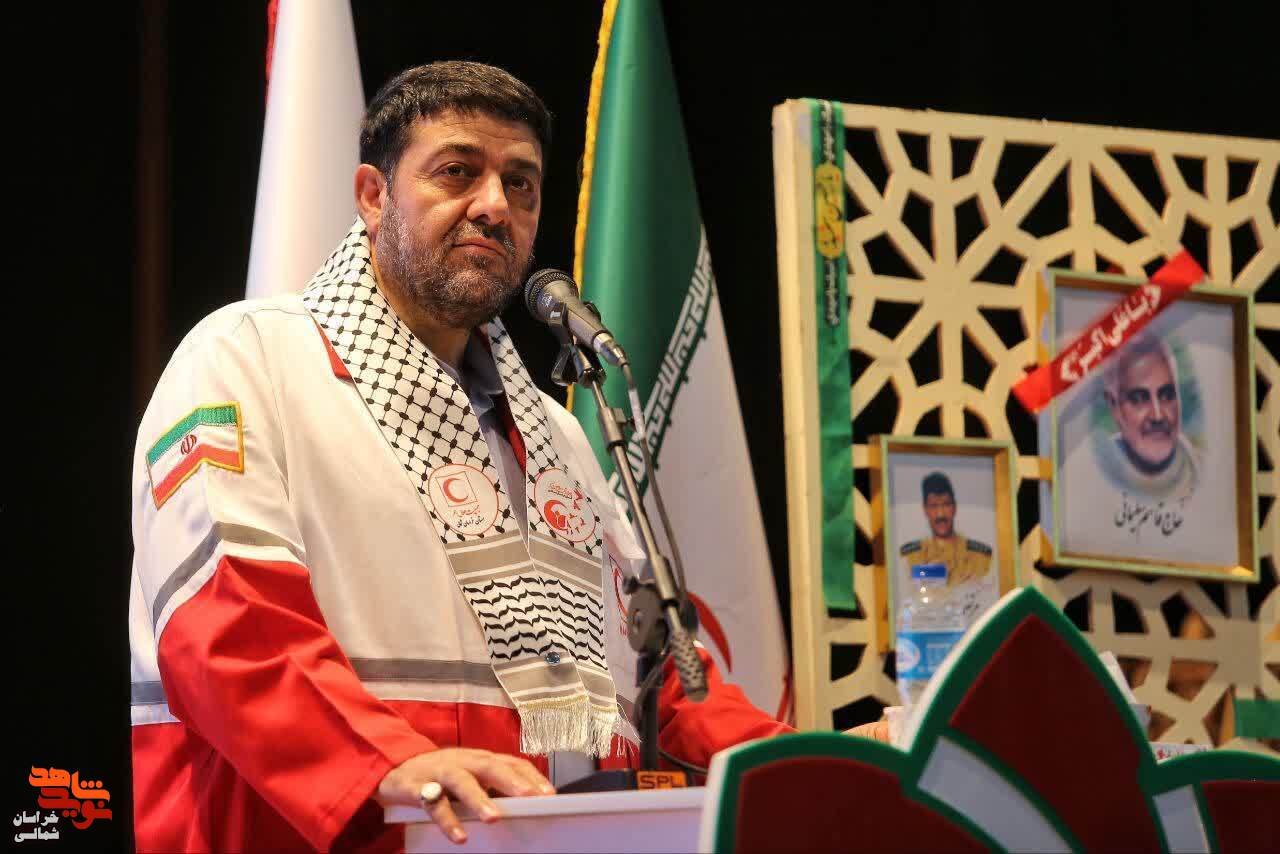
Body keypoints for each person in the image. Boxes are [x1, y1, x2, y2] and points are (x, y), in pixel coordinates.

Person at [130, 62, 831, 852]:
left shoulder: (557, 436)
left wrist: (812, 765)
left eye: (521, 184)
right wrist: (388, 761)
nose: (496, 205)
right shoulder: (248, 360)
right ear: (372, 195)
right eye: (458, 172)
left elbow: (655, 677)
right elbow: (226, 617)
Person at [1095, 334, 1200, 501]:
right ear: (1114, 405)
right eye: (1139, 399)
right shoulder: (1095, 476)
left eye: (1166, 395)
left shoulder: (1199, 469)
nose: (1157, 416)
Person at [899, 472, 992, 588]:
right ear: (925, 509)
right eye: (934, 506)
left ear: (954, 507)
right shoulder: (911, 556)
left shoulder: (979, 556)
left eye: (946, 504)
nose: (940, 514)